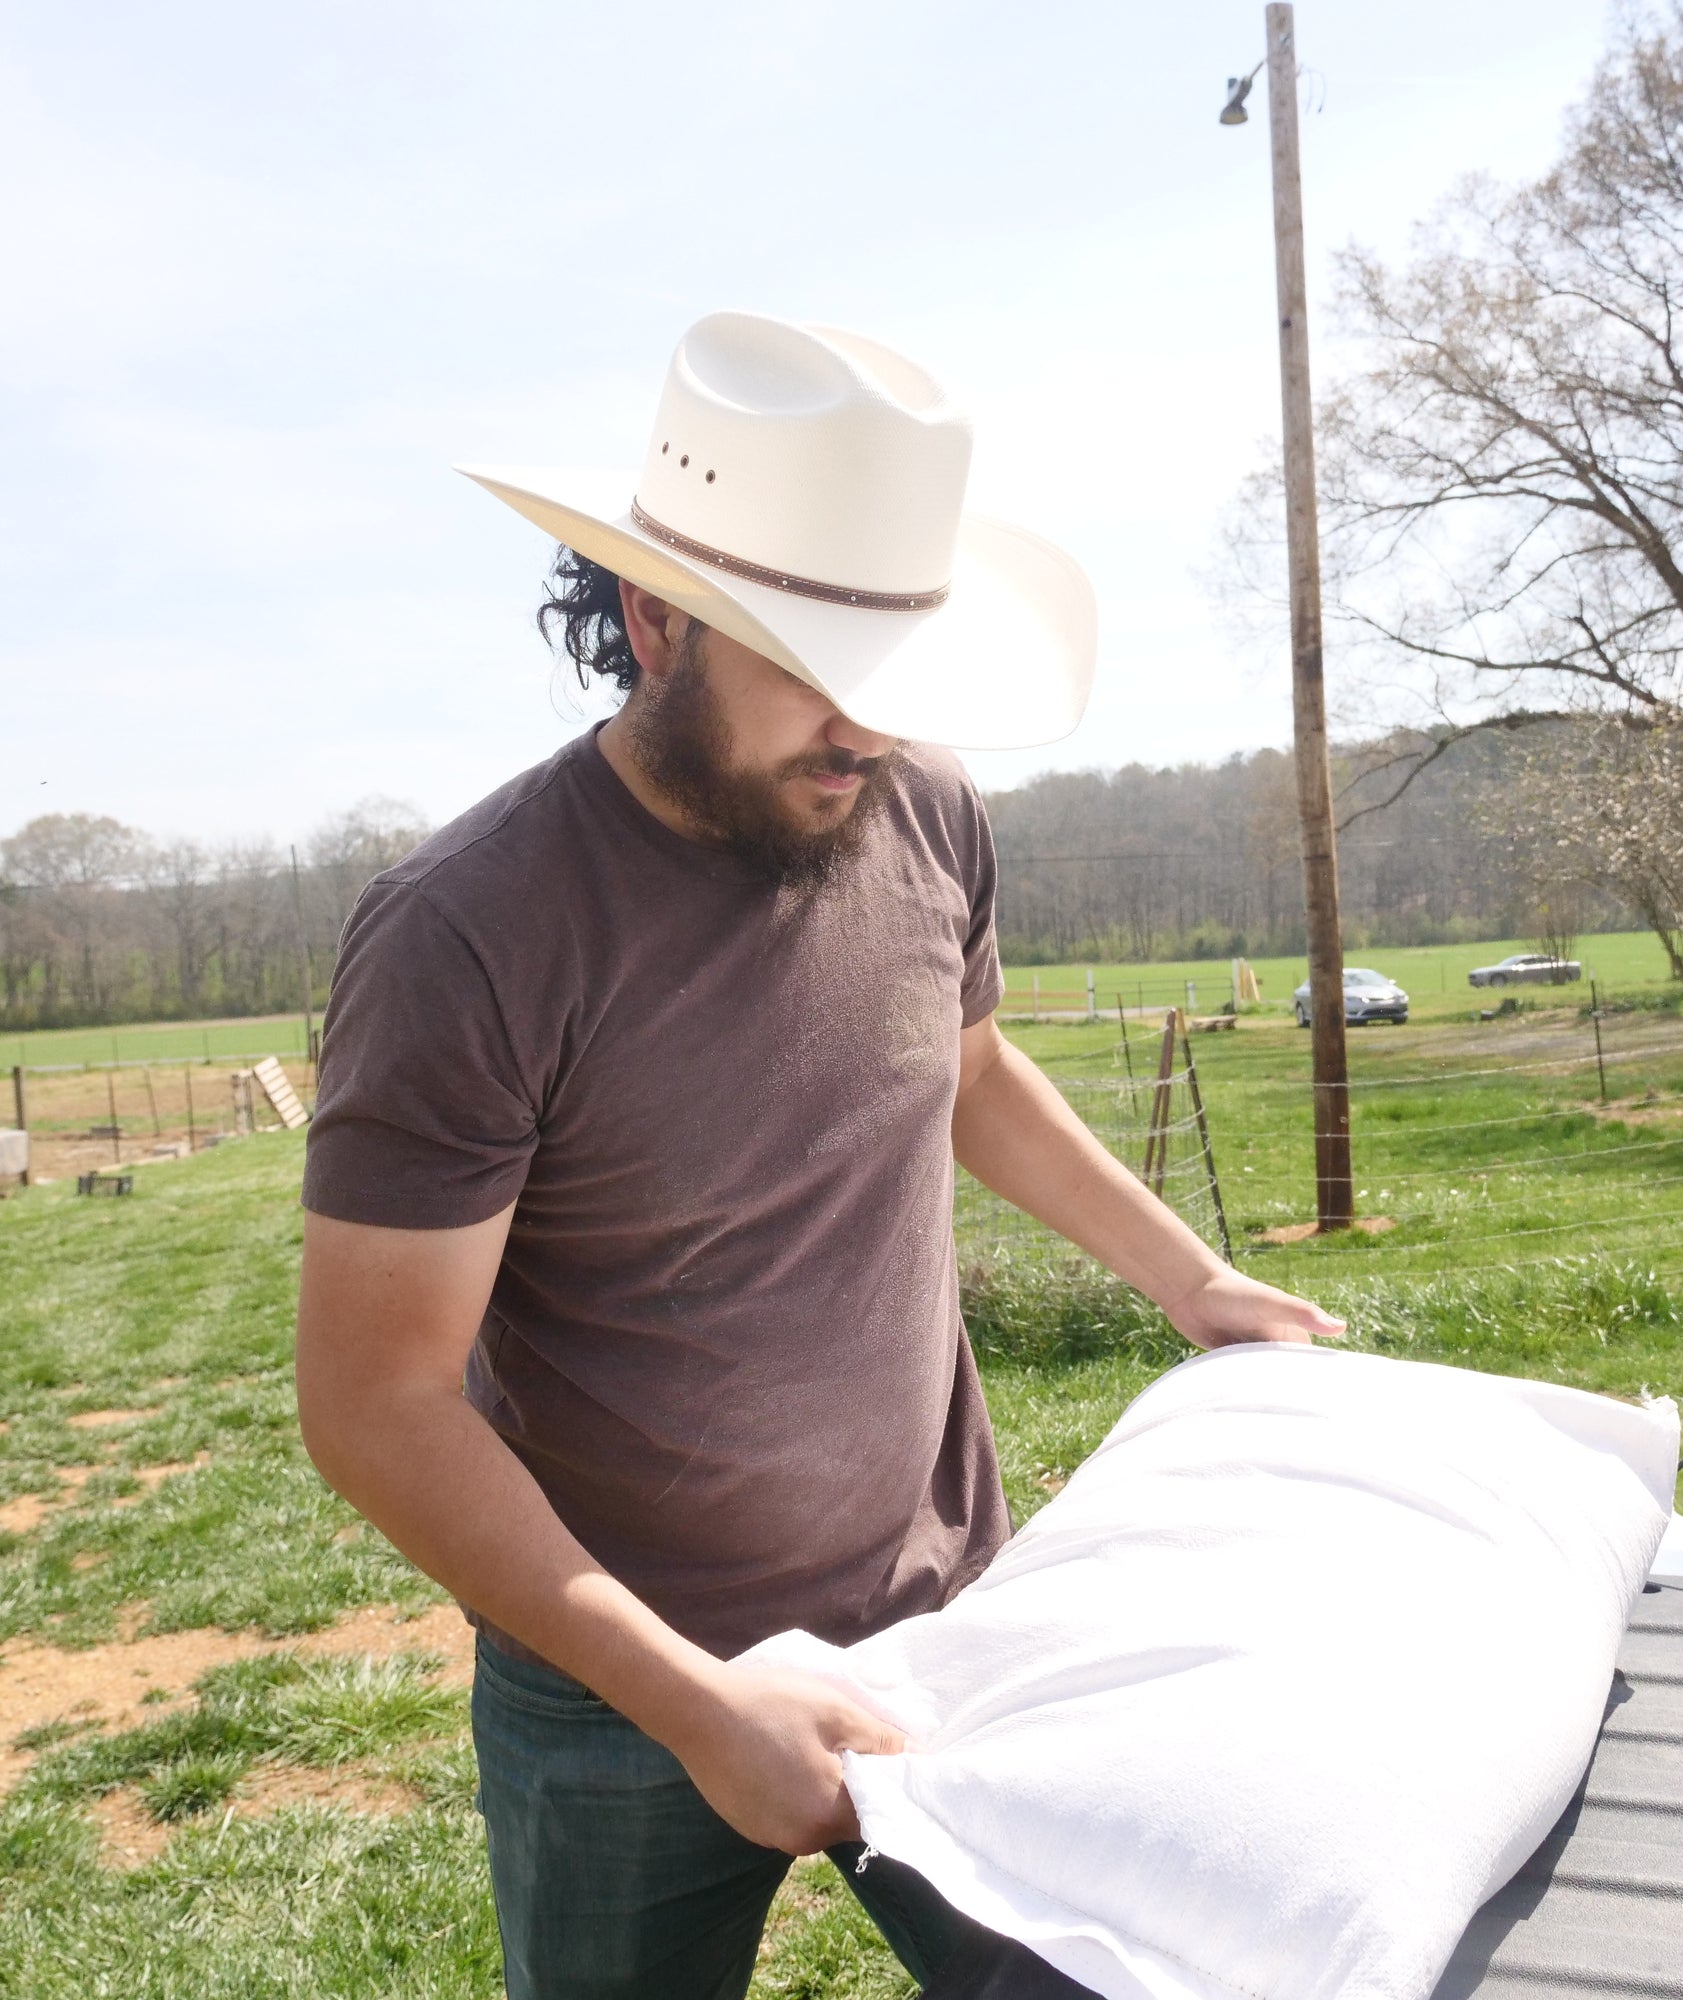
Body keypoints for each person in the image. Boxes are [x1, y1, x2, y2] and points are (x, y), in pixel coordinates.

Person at [294, 311, 1341, 2000]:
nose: (866, 729)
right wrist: (696, 1702)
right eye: (809, 662)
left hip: (948, 1618)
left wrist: (1190, 1274)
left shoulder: (922, 806)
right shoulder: (467, 932)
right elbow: (374, 1400)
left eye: (895, 670)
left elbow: (968, 1069)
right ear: (652, 619)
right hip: (618, 1676)